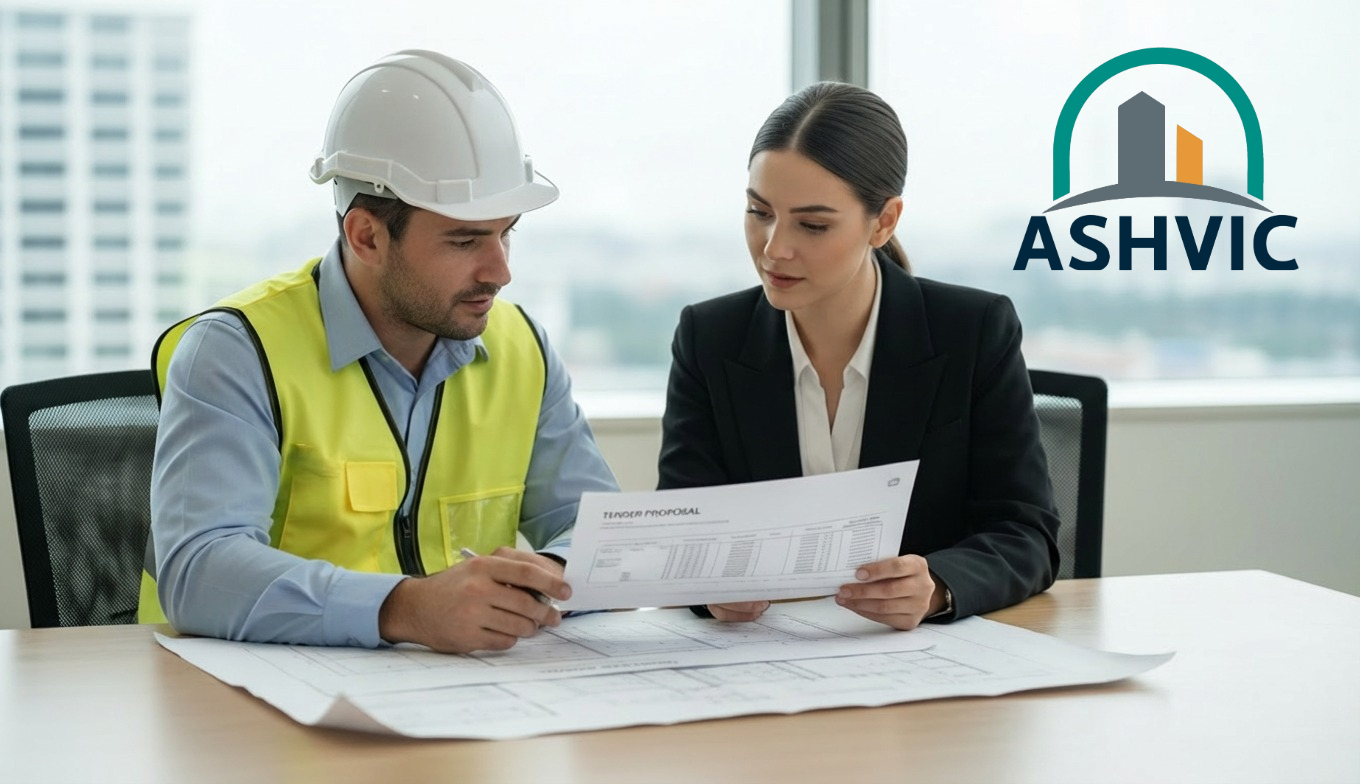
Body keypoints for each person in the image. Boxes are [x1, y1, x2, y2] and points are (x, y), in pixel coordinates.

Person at [142, 50, 618, 653]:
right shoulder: (236, 351)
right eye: (465, 240)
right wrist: (405, 609)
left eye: (506, 233)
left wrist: (536, 581)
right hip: (253, 715)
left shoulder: (524, 350)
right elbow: (199, 570)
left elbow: (599, 533)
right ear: (366, 235)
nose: (501, 271)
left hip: (460, 708)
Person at [658, 82, 1060, 629]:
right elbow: (687, 530)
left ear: (884, 221)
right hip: (762, 664)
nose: (775, 247)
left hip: (924, 669)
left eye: (813, 225)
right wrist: (709, 588)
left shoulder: (971, 331)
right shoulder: (710, 338)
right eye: (759, 212)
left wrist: (938, 585)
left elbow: (1025, 533)